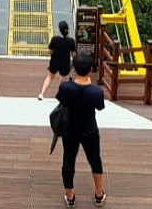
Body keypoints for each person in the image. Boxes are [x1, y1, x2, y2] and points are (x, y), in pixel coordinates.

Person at [56, 52, 106, 207]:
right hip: (89, 129)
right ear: (90, 70)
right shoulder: (96, 92)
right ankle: (99, 194)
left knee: (68, 160)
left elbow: (61, 101)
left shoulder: (65, 87)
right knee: (95, 160)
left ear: (74, 68)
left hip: (69, 129)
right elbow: (100, 107)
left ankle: (70, 196)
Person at [38, 20, 76, 100]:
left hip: (54, 61)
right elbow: (73, 54)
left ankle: (42, 94)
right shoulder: (71, 41)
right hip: (65, 62)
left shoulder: (55, 39)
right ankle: (62, 96)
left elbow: (50, 51)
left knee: (49, 77)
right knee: (63, 79)